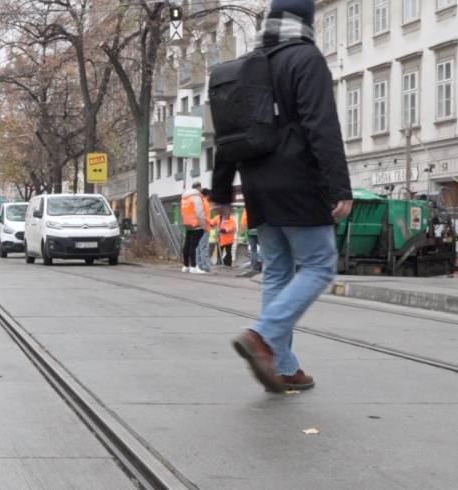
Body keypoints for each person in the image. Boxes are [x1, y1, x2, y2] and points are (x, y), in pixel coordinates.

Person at [214, 0, 350, 393]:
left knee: (277, 271)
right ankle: (262, 336)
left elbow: (225, 132)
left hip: (257, 185)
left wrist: (222, 189)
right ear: (307, 21)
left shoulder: (247, 64)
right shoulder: (305, 59)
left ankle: (284, 366)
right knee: (320, 266)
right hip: (299, 184)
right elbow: (320, 124)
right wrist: (339, 186)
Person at [180, 183, 209, 273]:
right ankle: (193, 267)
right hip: (197, 225)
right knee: (194, 246)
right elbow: (199, 212)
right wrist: (204, 226)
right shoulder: (196, 197)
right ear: (199, 188)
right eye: (200, 188)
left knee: (187, 245)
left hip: (188, 224)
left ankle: (186, 266)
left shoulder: (185, 198)